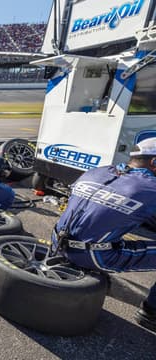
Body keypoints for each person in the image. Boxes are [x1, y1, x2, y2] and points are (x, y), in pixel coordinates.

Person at [51, 137, 156, 332]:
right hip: (94, 255)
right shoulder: (151, 187)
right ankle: (151, 313)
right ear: (154, 162)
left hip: (57, 241)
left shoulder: (98, 171)